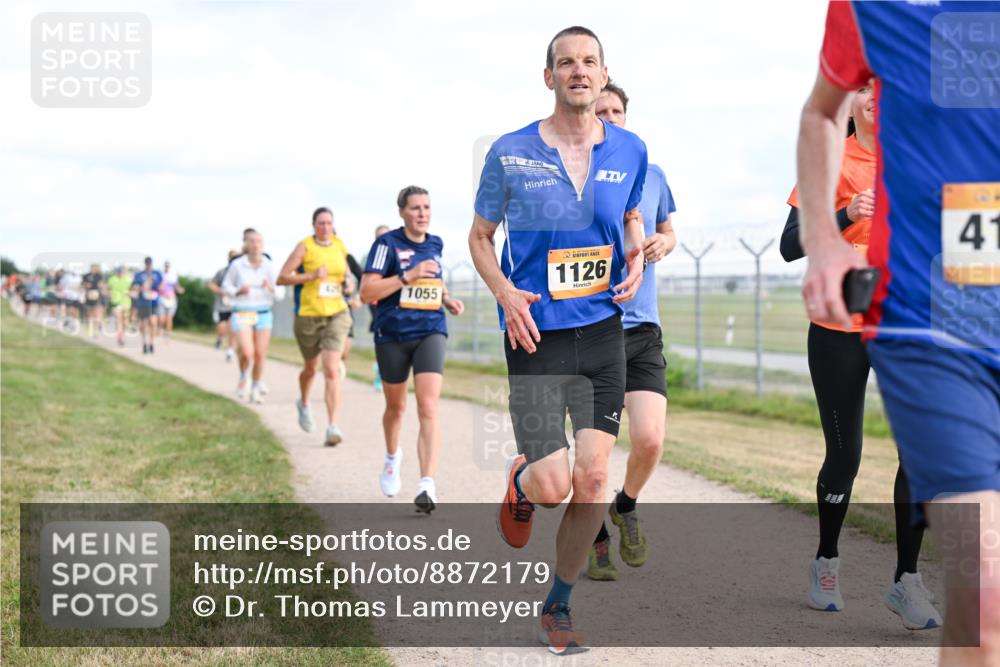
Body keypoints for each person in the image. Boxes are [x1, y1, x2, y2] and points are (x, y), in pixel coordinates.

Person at [798, 2, 999, 663]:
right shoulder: (872, 14)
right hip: (901, 323)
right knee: (984, 594)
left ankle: (905, 578)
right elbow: (818, 116)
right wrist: (829, 234)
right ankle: (831, 559)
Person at [468, 26, 647, 655]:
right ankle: (522, 481)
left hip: (602, 333)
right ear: (550, 77)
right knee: (553, 488)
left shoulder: (630, 149)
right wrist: (505, 293)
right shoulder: (510, 152)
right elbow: (480, 237)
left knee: (593, 480)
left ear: (603, 74)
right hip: (536, 333)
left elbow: (631, 214)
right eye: (566, 62)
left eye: (589, 61)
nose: (579, 70)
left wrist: (634, 254)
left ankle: (558, 606)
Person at [782, 81, 941, 628]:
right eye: (863, 86)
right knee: (845, 456)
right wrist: (846, 213)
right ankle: (826, 561)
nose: (875, 93)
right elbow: (789, 245)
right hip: (838, 328)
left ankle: (906, 581)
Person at [587, 80, 677, 581]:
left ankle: (624, 506)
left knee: (649, 440)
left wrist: (663, 242)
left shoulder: (653, 174)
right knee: (594, 456)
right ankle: (595, 537)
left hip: (643, 328)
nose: (608, 118)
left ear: (626, 117)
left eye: (615, 111)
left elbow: (668, 230)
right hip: (592, 328)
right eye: (600, 111)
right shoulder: (574, 176)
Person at [360, 185, 464, 514]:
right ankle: (392, 457)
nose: (422, 214)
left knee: (428, 406)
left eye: (427, 207)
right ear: (402, 212)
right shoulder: (386, 245)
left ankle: (427, 484)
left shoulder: (435, 243)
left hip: (430, 330)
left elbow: (435, 279)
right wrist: (408, 276)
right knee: (396, 407)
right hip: (392, 333)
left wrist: (446, 299)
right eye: (416, 208)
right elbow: (366, 291)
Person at [276, 207, 352, 446]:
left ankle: (332, 426)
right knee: (310, 368)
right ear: (314, 225)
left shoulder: (339, 245)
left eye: (329, 223)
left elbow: (346, 274)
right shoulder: (304, 247)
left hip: (337, 313)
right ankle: (304, 402)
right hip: (308, 315)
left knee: (331, 368)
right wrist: (310, 276)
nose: (325, 227)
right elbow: (282, 277)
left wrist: (349, 283)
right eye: (321, 223)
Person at [222, 231, 278, 404]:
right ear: (246, 244)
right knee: (247, 352)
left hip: (263, 312)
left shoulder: (269, 266)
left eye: (259, 241)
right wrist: (238, 291)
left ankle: (254, 387)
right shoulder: (237, 265)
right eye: (252, 241)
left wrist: (271, 288)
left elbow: (280, 292)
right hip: (243, 312)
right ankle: (244, 375)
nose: (255, 244)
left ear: (263, 244)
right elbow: (226, 286)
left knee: (260, 354)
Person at [368, 225, 391, 391]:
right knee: (384, 338)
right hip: (377, 304)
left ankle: (383, 370)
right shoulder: (373, 257)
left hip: (396, 304)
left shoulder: (398, 255)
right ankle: (379, 372)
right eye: (379, 237)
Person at [208, 251, 239, 362]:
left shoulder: (242, 273)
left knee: (233, 327)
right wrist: (220, 291)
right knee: (222, 328)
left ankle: (230, 350)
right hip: (223, 305)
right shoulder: (222, 272)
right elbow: (211, 284)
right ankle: (220, 338)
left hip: (236, 306)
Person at [130, 257, 162, 354]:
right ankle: (144, 343)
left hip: (154, 301)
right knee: (143, 324)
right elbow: (134, 287)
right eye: (147, 263)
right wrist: (142, 288)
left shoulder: (157, 274)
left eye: (150, 263)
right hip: (143, 302)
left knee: (153, 322)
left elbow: (162, 284)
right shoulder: (139, 275)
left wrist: (159, 289)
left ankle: (151, 343)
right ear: (145, 264)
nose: (149, 265)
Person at [157, 260, 185, 340]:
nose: (167, 267)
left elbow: (176, 286)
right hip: (162, 299)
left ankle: (167, 334)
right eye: (166, 265)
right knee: (161, 319)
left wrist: (180, 289)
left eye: (168, 265)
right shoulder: (160, 275)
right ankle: (160, 329)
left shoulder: (173, 276)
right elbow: (157, 287)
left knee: (169, 318)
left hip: (171, 299)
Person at [106, 266, 132, 347]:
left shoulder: (128, 280)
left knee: (125, 322)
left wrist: (130, 293)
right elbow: (108, 289)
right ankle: (120, 338)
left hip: (126, 302)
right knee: (119, 320)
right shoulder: (112, 279)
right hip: (116, 302)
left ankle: (122, 335)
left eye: (123, 272)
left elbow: (132, 289)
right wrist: (110, 296)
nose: (121, 273)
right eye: (120, 272)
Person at [80, 263, 106, 339]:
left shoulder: (99, 276)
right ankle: (90, 330)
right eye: (93, 268)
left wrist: (102, 288)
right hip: (88, 296)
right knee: (89, 314)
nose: (94, 269)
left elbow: (102, 284)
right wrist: (85, 285)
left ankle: (96, 331)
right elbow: (82, 285)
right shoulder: (86, 276)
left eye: (95, 268)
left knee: (97, 314)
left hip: (97, 296)